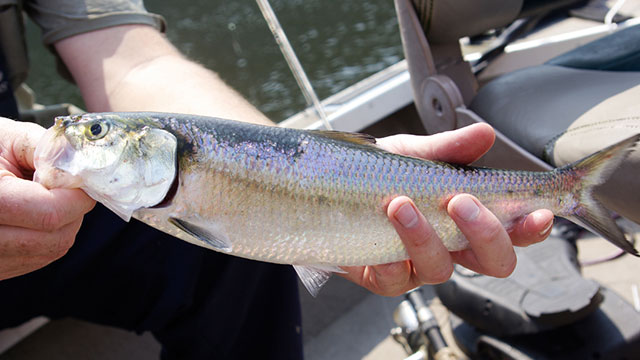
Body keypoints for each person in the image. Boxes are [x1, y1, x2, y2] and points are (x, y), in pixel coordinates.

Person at [0, 0, 554, 358]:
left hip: (26, 187)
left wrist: (310, 176)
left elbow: (133, 64)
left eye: (98, 134)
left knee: (244, 255)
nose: (83, 137)